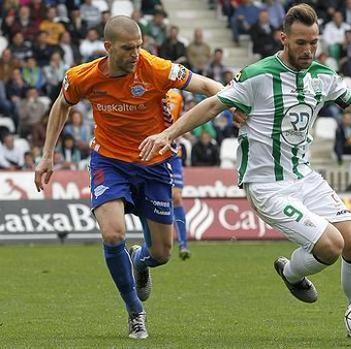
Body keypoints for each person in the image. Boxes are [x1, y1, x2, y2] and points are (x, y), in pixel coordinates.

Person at [139, 3, 351, 332]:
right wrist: (168, 134)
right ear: (283, 38)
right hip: (266, 184)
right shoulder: (257, 75)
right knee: (331, 245)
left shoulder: (323, 77)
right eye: (301, 42)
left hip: (306, 177)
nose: (309, 49)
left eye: (314, 42)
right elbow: (213, 105)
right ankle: (290, 272)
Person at [33, 16, 225, 339]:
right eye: (127, 48)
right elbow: (61, 105)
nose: (136, 53)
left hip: (154, 164)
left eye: (139, 46)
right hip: (110, 162)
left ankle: (140, 259)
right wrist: (48, 153)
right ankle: (135, 310)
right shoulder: (84, 76)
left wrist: (230, 101)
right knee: (112, 234)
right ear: (108, 47)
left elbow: (205, 85)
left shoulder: (155, 68)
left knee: (162, 254)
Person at [165, 89, 191, 260]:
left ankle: (183, 243)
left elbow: (180, 120)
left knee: (176, 197)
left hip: (173, 153)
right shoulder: (145, 90)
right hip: (152, 152)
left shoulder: (176, 97)